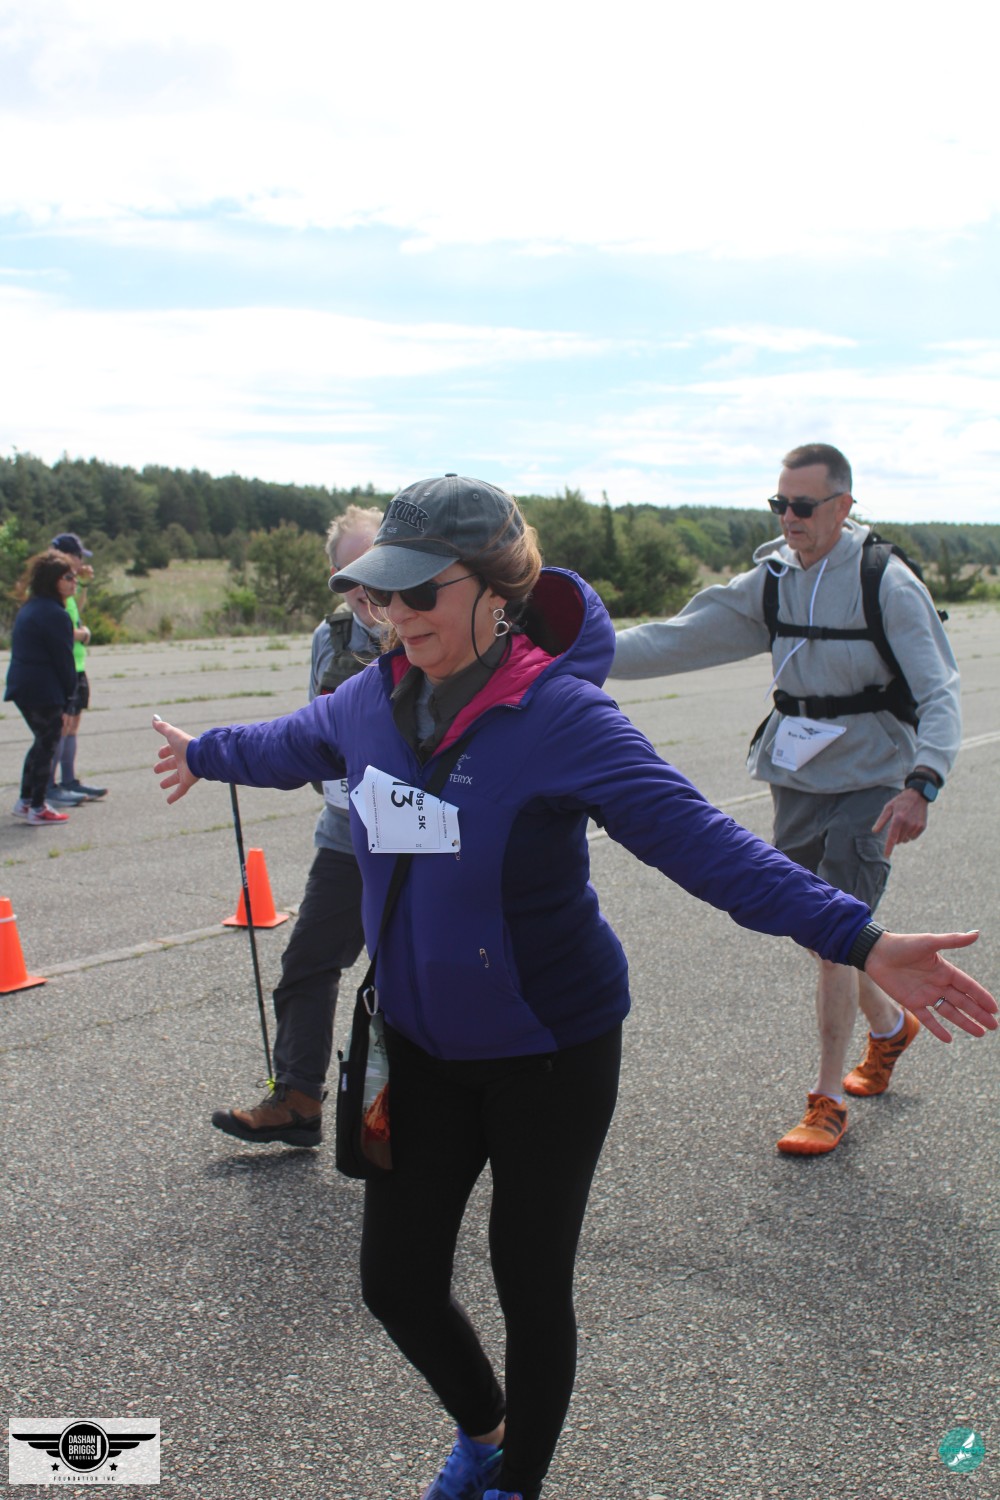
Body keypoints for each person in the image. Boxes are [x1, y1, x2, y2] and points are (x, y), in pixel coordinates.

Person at [152, 474, 995, 1500]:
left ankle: (518, 1483)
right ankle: (486, 1433)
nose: (397, 614)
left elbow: (705, 844)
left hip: (547, 1049)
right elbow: (288, 742)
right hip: (414, 1041)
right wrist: (205, 752)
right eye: (382, 594)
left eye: (421, 592)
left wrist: (857, 937)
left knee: (529, 1281)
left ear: (495, 589)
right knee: (397, 1285)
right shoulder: (370, 699)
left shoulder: (562, 717)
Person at [610, 441, 962, 1156]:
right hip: (797, 772)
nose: (789, 516)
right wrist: (563, 653)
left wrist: (922, 782)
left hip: (874, 774)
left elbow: (940, 690)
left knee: (838, 937)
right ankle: (891, 1027)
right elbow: (675, 640)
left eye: (803, 504)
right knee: (811, 925)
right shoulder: (771, 580)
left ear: (843, 505)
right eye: (780, 503)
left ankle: (827, 1100)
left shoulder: (885, 582)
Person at [211, 504, 383, 1147]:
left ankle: (432, 1115)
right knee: (308, 962)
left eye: (375, 564)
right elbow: (310, 733)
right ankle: (298, 1098)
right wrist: (216, 755)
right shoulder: (328, 638)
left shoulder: (426, 626)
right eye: (349, 572)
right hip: (344, 834)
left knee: (419, 977)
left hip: (418, 841)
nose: (364, 585)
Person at [5, 550, 80, 826]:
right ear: (53, 581)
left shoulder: (31, 607)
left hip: (23, 685)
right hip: (42, 690)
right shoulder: (55, 614)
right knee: (48, 744)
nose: (74, 582)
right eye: (68, 577)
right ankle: (37, 806)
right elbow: (64, 660)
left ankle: (26, 801)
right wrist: (70, 699)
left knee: (41, 742)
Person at [47, 531, 107, 805]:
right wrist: (82, 635)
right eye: (78, 556)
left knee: (72, 725)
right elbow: (56, 626)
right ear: (64, 555)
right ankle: (50, 785)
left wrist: (82, 584)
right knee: (60, 727)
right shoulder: (51, 585)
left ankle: (69, 780)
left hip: (77, 664)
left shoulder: (67, 584)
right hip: (62, 666)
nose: (81, 561)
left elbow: (76, 611)